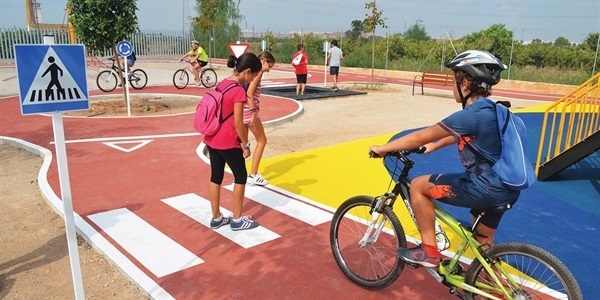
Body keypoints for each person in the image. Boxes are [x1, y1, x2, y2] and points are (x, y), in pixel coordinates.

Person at [369, 50, 519, 267]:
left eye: (454, 81)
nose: (453, 87)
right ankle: (497, 288)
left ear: (466, 82)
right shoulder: (495, 110)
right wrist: (433, 146)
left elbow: (419, 136)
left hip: (483, 187)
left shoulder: (472, 114)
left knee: (419, 186)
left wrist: (383, 148)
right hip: (507, 189)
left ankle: (429, 251)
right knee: (483, 242)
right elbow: (459, 135)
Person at [203, 52, 263, 231]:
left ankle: (216, 218)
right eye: (253, 76)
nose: (252, 80)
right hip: (229, 140)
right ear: (248, 72)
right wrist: (245, 144)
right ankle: (237, 220)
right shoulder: (238, 90)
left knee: (216, 177)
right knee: (240, 177)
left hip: (212, 138)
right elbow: (238, 122)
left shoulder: (222, 83)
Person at [244, 51, 276, 186]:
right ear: (263, 60)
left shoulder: (249, 71)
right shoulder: (258, 72)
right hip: (249, 113)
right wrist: (253, 112)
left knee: (243, 144)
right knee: (262, 141)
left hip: (241, 111)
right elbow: (249, 92)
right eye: (269, 66)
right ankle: (253, 174)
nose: (268, 70)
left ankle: (240, 174)